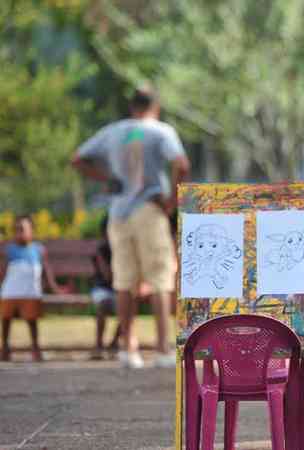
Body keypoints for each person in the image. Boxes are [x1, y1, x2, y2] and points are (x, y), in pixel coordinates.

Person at [71, 85, 190, 369]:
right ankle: (162, 349)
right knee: (160, 280)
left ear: (132, 106)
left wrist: (105, 179)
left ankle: (129, 349)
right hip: (149, 208)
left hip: (118, 213)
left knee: (124, 282)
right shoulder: (161, 131)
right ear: (156, 106)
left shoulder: (113, 131)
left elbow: (77, 159)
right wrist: (172, 200)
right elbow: (181, 164)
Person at [1, 215, 65, 362]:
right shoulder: (9, 250)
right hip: (10, 293)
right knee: (6, 319)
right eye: (16, 230)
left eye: (22, 229)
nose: (19, 233)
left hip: (31, 293)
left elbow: (47, 270)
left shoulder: (38, 249)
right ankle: (5, 347)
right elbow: (3, 271)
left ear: (32, 231)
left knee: (32, 321)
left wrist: (55, 288)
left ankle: (35, 348)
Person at [89, 214, 121, 360]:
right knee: (103, 305)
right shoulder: (101, 250)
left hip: (119, 290)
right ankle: (98, 345)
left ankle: (114, 342)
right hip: (102, 289)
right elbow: (108, 276)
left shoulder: (123, 248)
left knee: (128, 306)